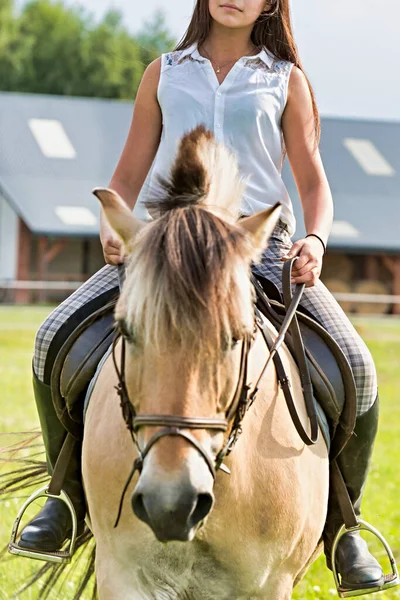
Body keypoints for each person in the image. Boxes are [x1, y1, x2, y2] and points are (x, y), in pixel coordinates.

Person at [18, 0, 384, 592]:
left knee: (359, 373)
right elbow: (127, 174)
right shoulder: (164, 71)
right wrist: (114, 225)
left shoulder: (286, 81)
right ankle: (63, 500)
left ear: (271, 2)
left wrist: (315, 238)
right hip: (166, 247)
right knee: (51, 338)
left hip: (258, 247)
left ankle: (346, 528)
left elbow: (314, 182)